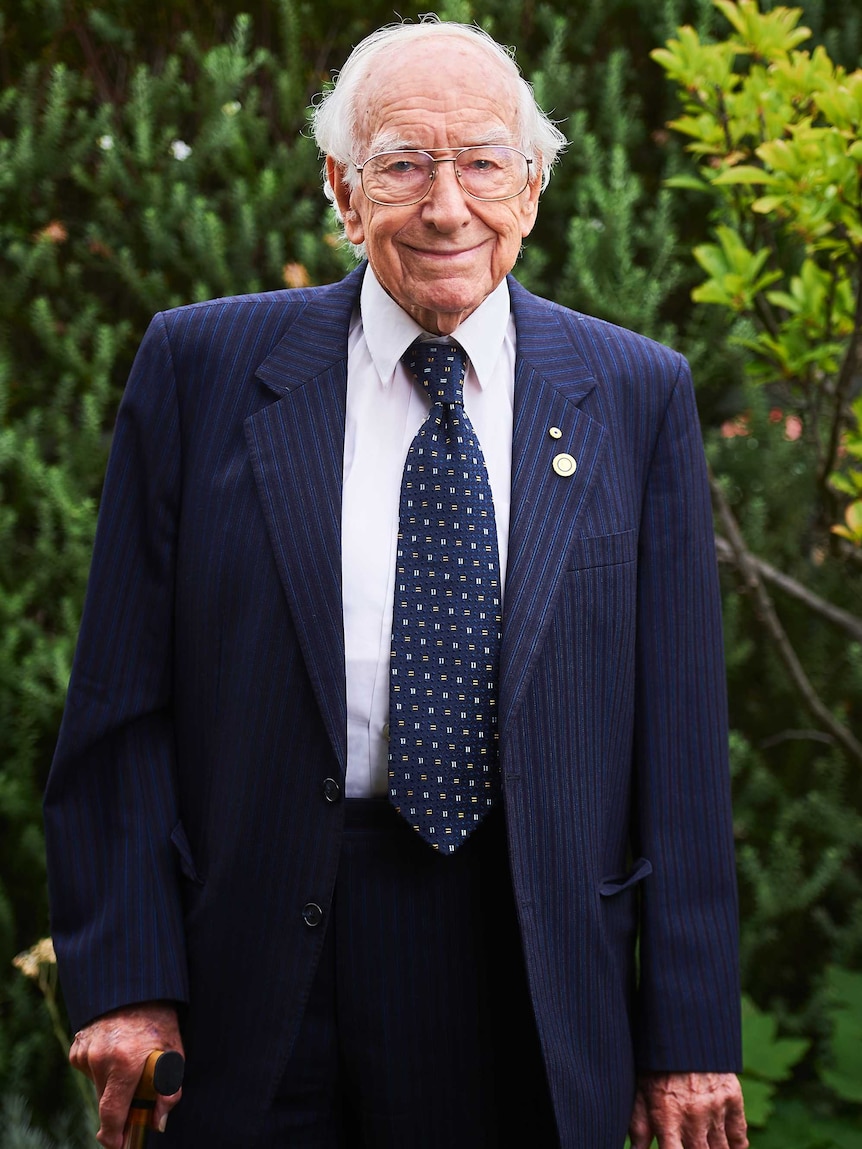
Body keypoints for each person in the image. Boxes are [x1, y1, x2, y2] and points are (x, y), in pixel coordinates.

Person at [44, 17, 748, 1149]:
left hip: (530, 966)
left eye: (479, 162)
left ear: (530, 187)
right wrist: (127, 980)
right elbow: (119, 712)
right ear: (342, 186)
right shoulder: (200, 369)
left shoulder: (634, 393)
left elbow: (677, 745)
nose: (445, 206)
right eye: (404, 164)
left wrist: (689, 1034)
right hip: (261, 966)